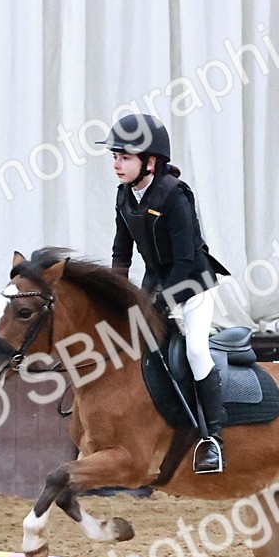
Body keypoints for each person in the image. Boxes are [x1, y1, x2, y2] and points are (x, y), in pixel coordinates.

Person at [97, 113, 230, 474]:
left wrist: (158, 304)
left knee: (196, 350)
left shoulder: (174, 196)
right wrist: (114, 295)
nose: (116, 164)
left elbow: (186, 260)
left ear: (150, 162)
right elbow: (121, 253)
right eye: (115, 156)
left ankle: (212, 440)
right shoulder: (124, 195)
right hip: (156, 284)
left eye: (124, 157)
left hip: (192, 285)